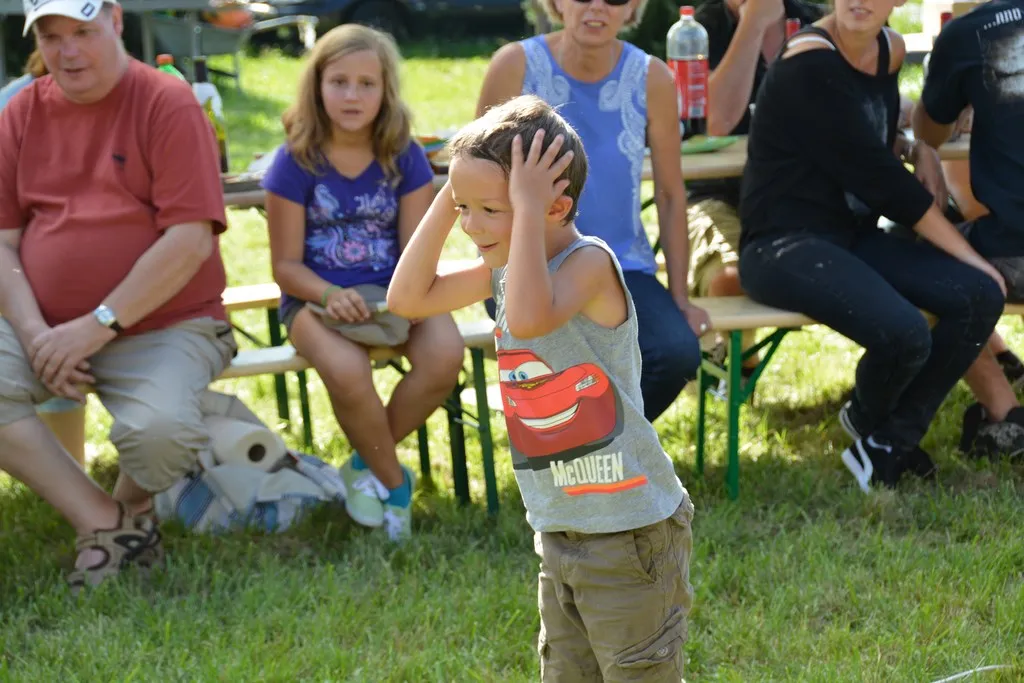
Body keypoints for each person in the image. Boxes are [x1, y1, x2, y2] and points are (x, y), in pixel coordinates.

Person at [388, 95, 695, 682]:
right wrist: (451, 196)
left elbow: (529, 319)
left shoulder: (589, 265)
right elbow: (407, 298)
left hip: (629, 531)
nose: (472, 225)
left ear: (555, 206)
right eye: (466, 209)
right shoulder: (505, 271)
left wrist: (523, 208)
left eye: (490, 210)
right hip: (560, 528)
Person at [0, 0, 236, 591]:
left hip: (164, 324)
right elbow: (2, 243)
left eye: (82, 32)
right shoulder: (21, 109)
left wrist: (94, 326)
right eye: (51, 36)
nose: (68, 52)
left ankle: (129, 511)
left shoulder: (166, 101)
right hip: (44, 325)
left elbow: (189, 240)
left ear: (116, 21)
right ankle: (105, 523)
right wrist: (36, 335)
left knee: (161, 434)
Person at [737, 0, 1006, 491]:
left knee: (980, 295)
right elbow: (881, 181)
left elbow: (872, 132)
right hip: (781, 244)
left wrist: (917, 145)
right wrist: (970, 256)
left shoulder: (890, 50)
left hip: (851, 235)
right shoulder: (808, 62)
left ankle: (888, 442)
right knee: (906, 332)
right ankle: (868, 420)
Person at [261, 24, 464, 541]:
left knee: (445, 355)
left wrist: (404, 301)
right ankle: (395, 486)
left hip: (398, 289)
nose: (352, 95)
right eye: (339, 82)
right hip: (313, 298)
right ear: (316, 87)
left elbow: (416, 253)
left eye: (366, 84)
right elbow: (284, 267)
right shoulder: (294, 161)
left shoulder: (405, 156)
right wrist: (330, 294)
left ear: (386, 90)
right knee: (348, 371)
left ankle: (363, 463)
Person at [474, 0, 710, 422]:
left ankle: (594, 446)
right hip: (529, 267)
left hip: (623, 270)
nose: (597, 6)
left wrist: (680, 299)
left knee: (677, 353)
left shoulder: (653, 76)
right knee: (566, 357)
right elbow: (476, 181)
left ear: (633, 6)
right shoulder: (513, 65)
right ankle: (588, 449)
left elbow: (672, 195)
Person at [912, 0, 1024, 459]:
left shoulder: (969, 32)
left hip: (1014, 249)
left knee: (908, 267)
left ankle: (1005, 414)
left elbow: (929, 131)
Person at [688, 0, 823, 378]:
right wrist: (752, 24)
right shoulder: (700, 29)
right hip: (719, 192)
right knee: (730, 279)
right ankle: (738, 365)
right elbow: (715, 121)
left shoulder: (815, 21)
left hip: (804, 195)